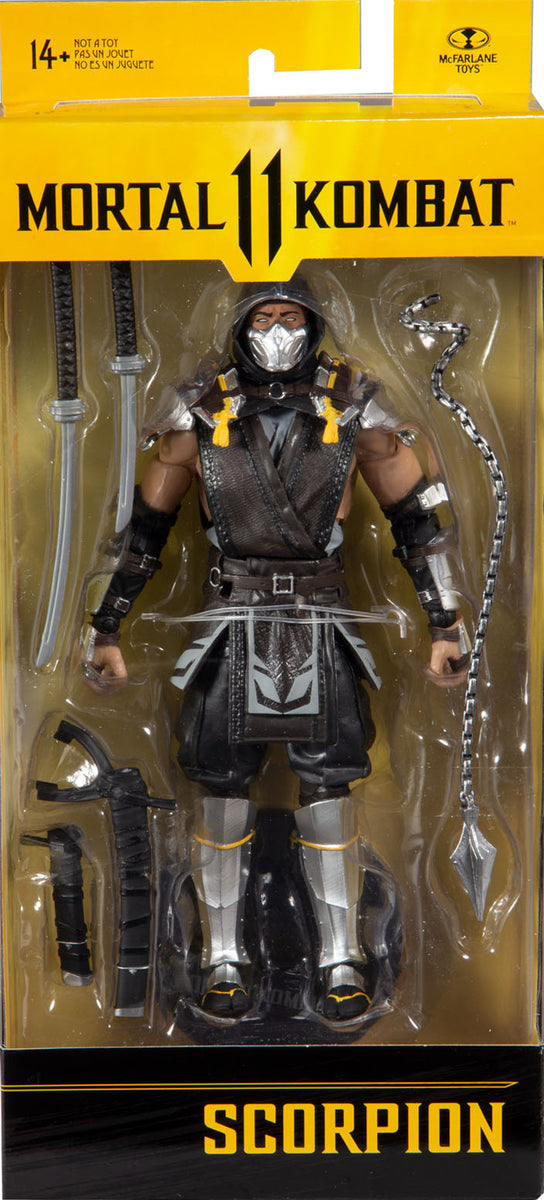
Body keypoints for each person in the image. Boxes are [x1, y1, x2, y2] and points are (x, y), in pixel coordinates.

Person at [83, 278, 468, 1023]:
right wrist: (105, 628)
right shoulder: (197, 414)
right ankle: (222, 956)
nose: (279, 330)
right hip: (231, 623)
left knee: (330, 787)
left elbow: (420, 521)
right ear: (240, 327)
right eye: (264, 316)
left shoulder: (355, 409)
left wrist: (444, 622)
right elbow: (138, 534)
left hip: (321, 621)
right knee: (219, 786)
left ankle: (342, 957)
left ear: (315, 323)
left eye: (291, 316)